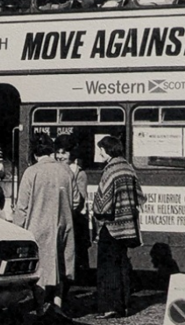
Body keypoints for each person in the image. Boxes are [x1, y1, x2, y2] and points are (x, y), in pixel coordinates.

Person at [14, 133, 75, 310]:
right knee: (60, 268)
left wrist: (18, 231)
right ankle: (58, 306)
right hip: (63, 226)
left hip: (37, 228)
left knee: (40, 271)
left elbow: (22, 207)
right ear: (52, 151)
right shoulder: (66, 171)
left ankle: (41, 308)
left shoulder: (31, 172)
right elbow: (77, 201)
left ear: (34, 153)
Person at [92, 136, 146, 319]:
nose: (99, 153)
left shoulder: (111, 170)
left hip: (112, 226)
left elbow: (101, 205)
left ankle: (109, 307)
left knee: (107, 268)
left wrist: (96, 213)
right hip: (128, 226)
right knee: (122, 265)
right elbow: (140, 197)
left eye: (101, 149)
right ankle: (123, 306)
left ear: (107, 151)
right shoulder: (128, 168)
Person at [55, 134, 91, 273]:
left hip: (74, 220)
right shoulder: (54, 169)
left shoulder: (78, 173)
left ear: (72, 154)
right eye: (57, 152)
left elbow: (79, 201)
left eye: (64, 153)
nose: (60, 156)